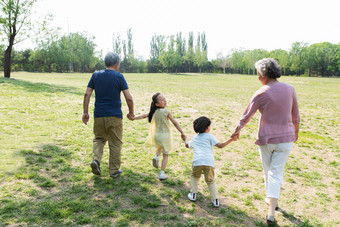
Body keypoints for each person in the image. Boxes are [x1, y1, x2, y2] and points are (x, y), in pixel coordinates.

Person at [232, 58, 300, 225]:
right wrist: (295, 133)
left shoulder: (262, 92)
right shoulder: (290, 89)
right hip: (286, 139)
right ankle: (273, 202)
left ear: (264, 74)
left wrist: (236, 131)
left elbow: (246, 116)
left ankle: (271, 211)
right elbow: (296, 116)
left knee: (269, 171)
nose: (257, 78)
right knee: (275, 172)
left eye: (258, 74)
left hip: (267, 140)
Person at [82, 52, 134, 178]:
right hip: (114, 115)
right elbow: (129, 98)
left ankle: (96, 160)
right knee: (115, 143)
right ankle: (114, 170)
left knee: (99, 139)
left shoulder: (95, 75)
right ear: (117, 64)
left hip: (99, 114)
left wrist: (85, 112)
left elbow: (87, 94)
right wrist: (131, 112)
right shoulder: (119, 77)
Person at [185, 116, 237, 207]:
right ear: (208, 127)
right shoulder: (210, 137)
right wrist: (231, 139)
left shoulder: (195, 138)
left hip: (197, 162)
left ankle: (193, 194)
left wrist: (185, 138)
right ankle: (215, 200)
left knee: (194, 176)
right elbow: (221, 145)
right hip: (209, 162)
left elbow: (187, 145)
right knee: (210, 181)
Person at [132, 92, 186, 180]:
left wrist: (134, 118)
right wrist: (182, 132)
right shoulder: (166, 111)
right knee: (165, 155)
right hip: (165, 136)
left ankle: (156, 156)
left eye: (164, 98)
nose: (164, 100)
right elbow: (175, 123)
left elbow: (144, 116)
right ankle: (162, 173)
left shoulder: (154, 112)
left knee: (160, 146)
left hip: (157, 136)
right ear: (157, 104)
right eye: (162, 100)